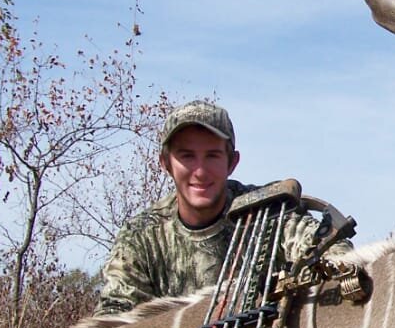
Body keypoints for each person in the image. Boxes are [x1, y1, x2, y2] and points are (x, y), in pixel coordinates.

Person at [95, 100, 353, 316]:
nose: (200, 171)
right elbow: (114, 316)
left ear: (232, 162)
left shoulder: (267, 211)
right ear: (165, 163)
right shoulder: (141, 235)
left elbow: (332, 251)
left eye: (212, 156)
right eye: (186, 156)